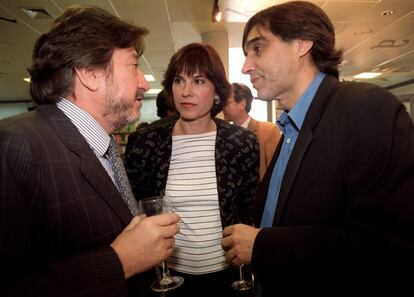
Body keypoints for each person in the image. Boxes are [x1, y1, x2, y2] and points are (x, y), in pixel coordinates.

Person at [221, 1, 414, 297]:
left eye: (257, 49)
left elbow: (383, 246)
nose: (246, 66)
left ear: (302, 43)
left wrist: (261, 246)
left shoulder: (365, 108)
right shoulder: (289, 128)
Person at [0, 6, 180, 297]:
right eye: (134, 66)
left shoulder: (104, 146)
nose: (144, 83)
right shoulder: (15, 145)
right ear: (90, 73)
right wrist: (120, 262)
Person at [125, 42, 259, 297]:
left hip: (227, 277)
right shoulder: (147, 142)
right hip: (168, 280)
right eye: (179, 80)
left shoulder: (241, 143)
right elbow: (137, 211)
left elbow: (248, 210)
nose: (186, 91)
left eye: (198, 81)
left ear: (217, 92)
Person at [223, 82, 281, 180]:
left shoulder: (269, 131)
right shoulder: (224, 135)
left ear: (242, 104)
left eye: (227, 103)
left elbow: (276, 173)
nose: (223, 107)